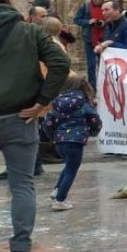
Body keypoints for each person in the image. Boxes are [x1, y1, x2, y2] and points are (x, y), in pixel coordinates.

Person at [0, 0, 71, 252]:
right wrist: (42, 102)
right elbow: (61, 63)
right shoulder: (31, 32)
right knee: (22, 185)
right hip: (20, 118)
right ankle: (21, 249)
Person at [42, 73, 102, 212]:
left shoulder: (57, 102)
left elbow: (47, 123)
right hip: (75, 141)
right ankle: (60, 200)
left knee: (68, 166)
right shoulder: (84, 103)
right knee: (72, 170)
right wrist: (92, 132)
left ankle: (57, 190)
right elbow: (95, 120)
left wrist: (53, 136)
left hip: (59, 142)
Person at [73, 0, 106, 88]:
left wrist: (105, 23)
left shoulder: (107, 7)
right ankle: (93, 87)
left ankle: (104, 86)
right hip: (89, 38)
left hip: (104, 39)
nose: (97, 1)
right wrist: (88, 22)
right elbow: (77, 20)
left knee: (103, 65)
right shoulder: (85, 7)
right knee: (91, 66)